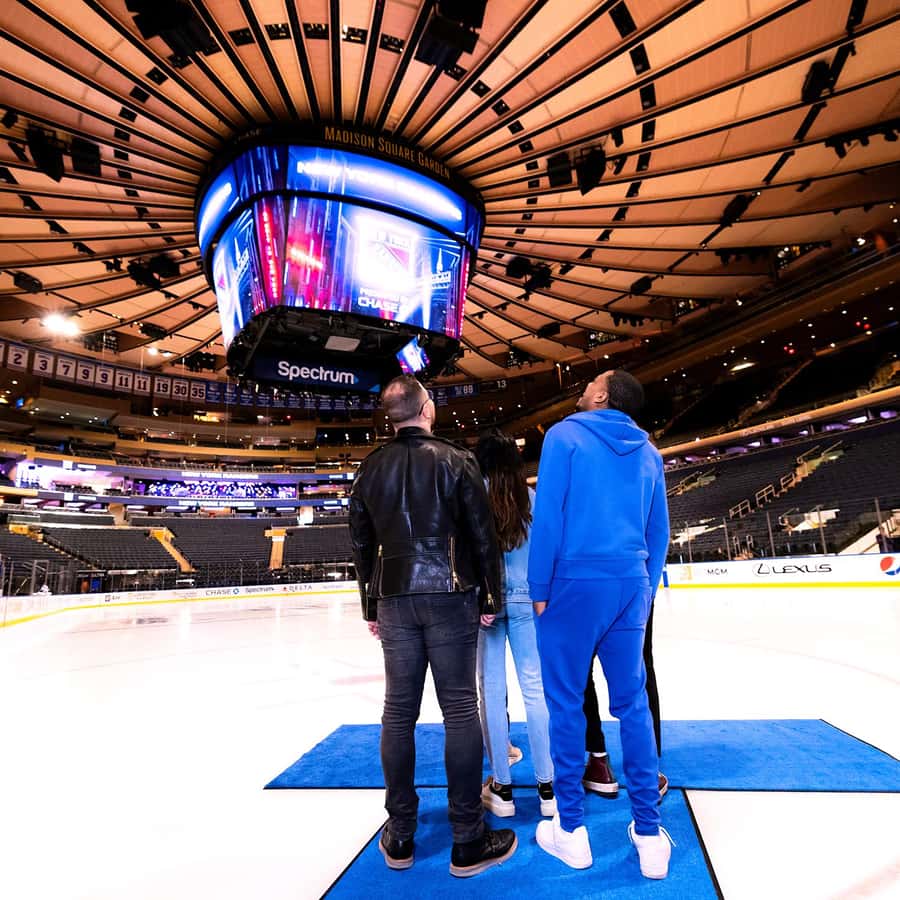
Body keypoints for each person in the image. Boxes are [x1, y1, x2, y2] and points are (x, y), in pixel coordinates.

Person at [349, 375, 517, 878]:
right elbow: (482, 536)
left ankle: (400, 833)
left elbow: (360, 542)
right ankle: (467, 838)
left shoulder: (370, 467)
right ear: (426, 409)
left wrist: (370, 605)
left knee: (397, 714)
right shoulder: (456, 459)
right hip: (450, 595)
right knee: (460, 710)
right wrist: (490, 595)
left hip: (394, 598)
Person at [528, 369, 673, 879]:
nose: (583, 387)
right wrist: (645, 590)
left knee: (566, 704)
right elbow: (659, 532)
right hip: (629, 585)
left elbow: (548, 516)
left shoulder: (564, 436)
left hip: (573, 583)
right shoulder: (649, 453)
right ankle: (650, 834)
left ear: (602, 395)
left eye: (591, 381)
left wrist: (539, 588)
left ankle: (571, 829)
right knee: (633, 705)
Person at [474, 429, 555, 819]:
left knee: (491, 692)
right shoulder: (531, 498)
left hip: (486, 605)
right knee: (535, 690)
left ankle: (502, 788)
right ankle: (548, 787)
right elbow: (547, 553)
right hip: (528, 601)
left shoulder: (473, 497)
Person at [582, 610, 667, 800]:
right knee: (638, 663)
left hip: (583, 596)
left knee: (580, 665)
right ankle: (647, 771)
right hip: (635, 596)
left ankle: (598, 761)